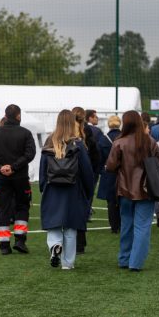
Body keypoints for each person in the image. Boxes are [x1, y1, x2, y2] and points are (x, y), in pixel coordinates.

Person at [105, 110, 159, 271]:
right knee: (142, 227)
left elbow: (110, 166)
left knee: (127, 225)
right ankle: (135, 262)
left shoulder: (119, 142)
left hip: (124, 189)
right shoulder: (149, 141)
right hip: (146, 189)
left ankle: (124, 259)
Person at [39, 110, 95, 270]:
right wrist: (88, 191)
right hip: (73, 190)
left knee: (53, 224)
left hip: (52, 189)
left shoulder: (49, 143)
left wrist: (43, 186)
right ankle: (67, 263)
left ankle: (55, 246)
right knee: (71, 227)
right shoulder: (77, 145)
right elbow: (87, 171)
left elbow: (43, 169)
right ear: (73, 123)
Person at [0, 104, 36, 255]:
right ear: (18, 116)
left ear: (5, 115)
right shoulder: (25, 133)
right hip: (20, 177)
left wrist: (0, 167)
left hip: (1, 178)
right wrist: (14, 167)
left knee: (3, 209)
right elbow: (30, 154)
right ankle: (20, 240)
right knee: (22, 207)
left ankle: (4, 245)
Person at [72, 107, 99, 254]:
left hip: (65, 177)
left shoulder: (63, 133)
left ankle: (66, 242)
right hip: (82, 177)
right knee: (81, 210)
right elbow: (95, 157)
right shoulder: (87, 134)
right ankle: (79, 244)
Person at [96, 114, 122, 233]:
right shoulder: (125, 137)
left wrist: (103, 170)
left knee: (111, 202)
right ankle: (122, 224)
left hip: (108, 173)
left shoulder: (103, 139)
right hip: (123, 173)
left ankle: (114, 227)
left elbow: (99, 158)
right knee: (123, 199)